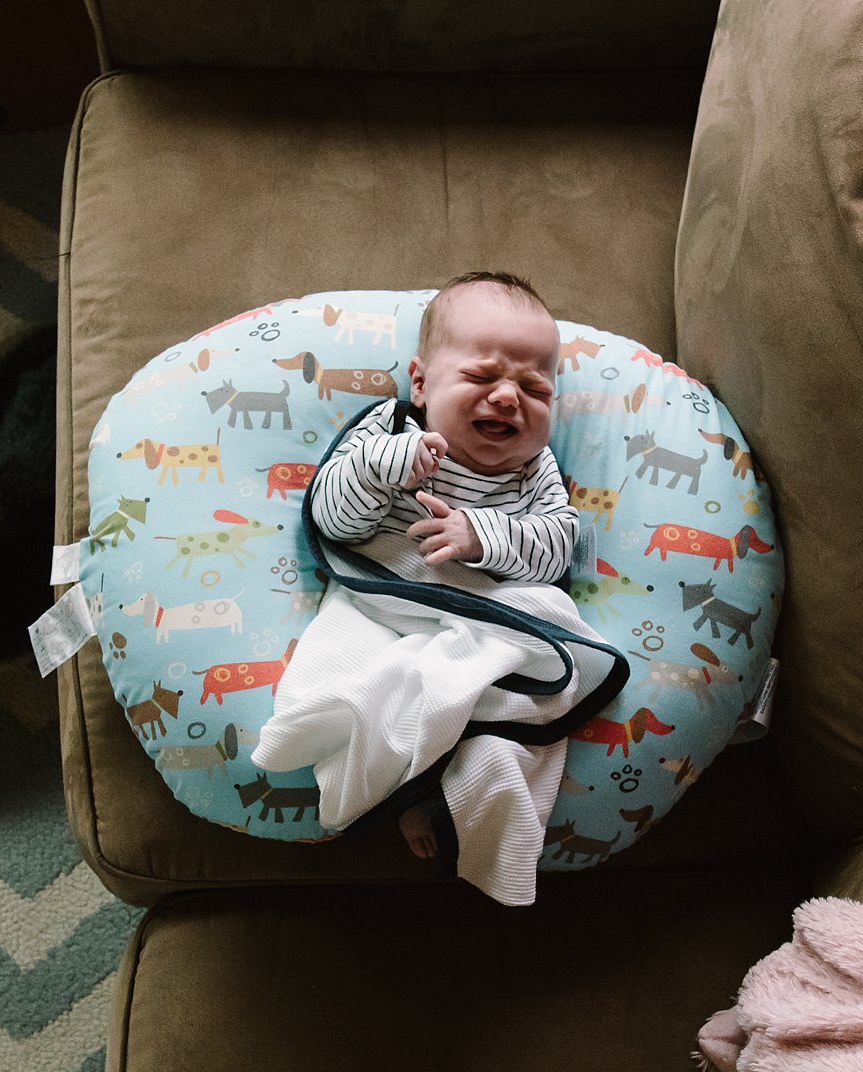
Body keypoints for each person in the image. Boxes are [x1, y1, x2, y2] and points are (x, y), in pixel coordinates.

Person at [248, 273, 612, 905]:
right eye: (481, 377)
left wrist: (484, 535)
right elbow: (332, 518)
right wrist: (376, 470)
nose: (507, 399)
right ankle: (406, 784)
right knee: (365, 684)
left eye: (534, 388)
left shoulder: (534, 471)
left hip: (486, 616)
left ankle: (458, 790)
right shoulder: (390, 433)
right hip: (385, 606)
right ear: (421, 383)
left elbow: (557, 548)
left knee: (539, 658)